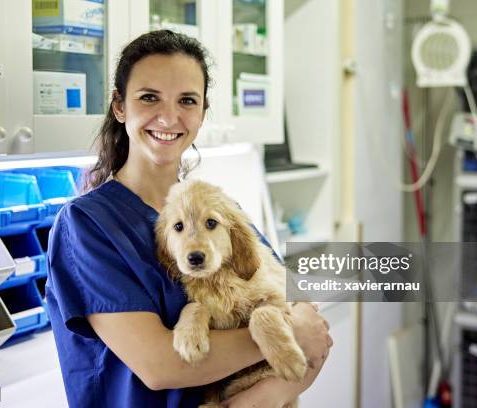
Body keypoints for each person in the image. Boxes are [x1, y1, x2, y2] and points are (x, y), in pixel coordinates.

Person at [46, 29, 333, 408]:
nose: (169, 116)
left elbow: (304, 318)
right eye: (149, 97)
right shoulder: (87, 226)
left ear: (202, 113)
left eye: (187, 100)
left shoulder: (218, 209)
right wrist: (287, 333)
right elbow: (160, 365)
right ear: (119, 106)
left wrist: (265, 394)